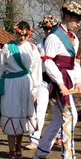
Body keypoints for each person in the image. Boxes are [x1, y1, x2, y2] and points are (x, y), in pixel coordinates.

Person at [32, 1, 81, 159]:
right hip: (58, 82)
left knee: (59, 118)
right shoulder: (53, 37)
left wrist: (78, 80)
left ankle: (41, 153)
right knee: (70, 116)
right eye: (77, 20)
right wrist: (60, 83)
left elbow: (74, 63)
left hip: (68, 80)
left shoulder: (74, 38)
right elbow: (48, 62)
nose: (78, 23)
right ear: (68, 16)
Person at [0, 21, 42, 159]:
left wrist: (35, 89)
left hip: (26, 84)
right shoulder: (7, 47)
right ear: (15, 33)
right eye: (20, 35)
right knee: (11, 114)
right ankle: (11, 151)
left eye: (25, 35)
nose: (22, 38)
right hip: (10, 85)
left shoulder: (32, 48)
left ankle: (18, 148)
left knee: (22, 115)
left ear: (29, 34)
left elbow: (36, 70)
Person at [25, 15, 59, 151]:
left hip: (57, 80)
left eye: (50, 28)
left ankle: (59, 136)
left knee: (60, 110)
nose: (48, 31)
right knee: (40, 109)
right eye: (45, 28)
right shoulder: (39, 44)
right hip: (43, 79)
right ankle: (34, 138)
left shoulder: (60, 42)